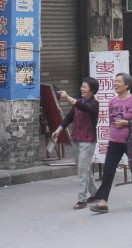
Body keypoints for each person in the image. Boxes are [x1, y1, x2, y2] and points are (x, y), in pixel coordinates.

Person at [89, 72, 132, 213]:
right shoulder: (112, 102)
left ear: (127, 85)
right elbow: (111, 121)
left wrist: (127, 123)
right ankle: (103, 203)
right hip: (115, 141)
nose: (115, 84)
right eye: (115, 81)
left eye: (118, 81)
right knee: (108, 170)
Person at [51, 77, 100, 209]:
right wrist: (59, 129)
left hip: (88, 141)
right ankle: (95, 194)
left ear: (92, 90)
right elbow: (69, 117)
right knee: (84, 168)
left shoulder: (93, 104)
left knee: (82, 170)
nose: (82, 89)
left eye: (85, 87)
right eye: (82, 86)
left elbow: (82, 106)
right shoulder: (80, 101)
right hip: (76, 140)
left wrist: (67, 97)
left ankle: (82, 199)